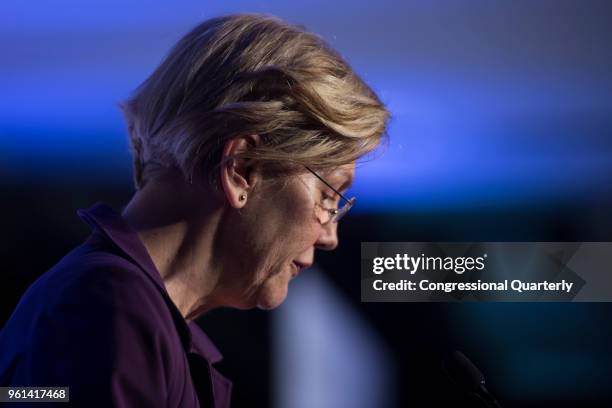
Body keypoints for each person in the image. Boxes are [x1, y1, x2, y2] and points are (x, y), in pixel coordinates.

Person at [0, 14, 389, 407]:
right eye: (328, 196)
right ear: (242, 170)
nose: (330, 237)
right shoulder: (108, 313)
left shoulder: (129, 315)